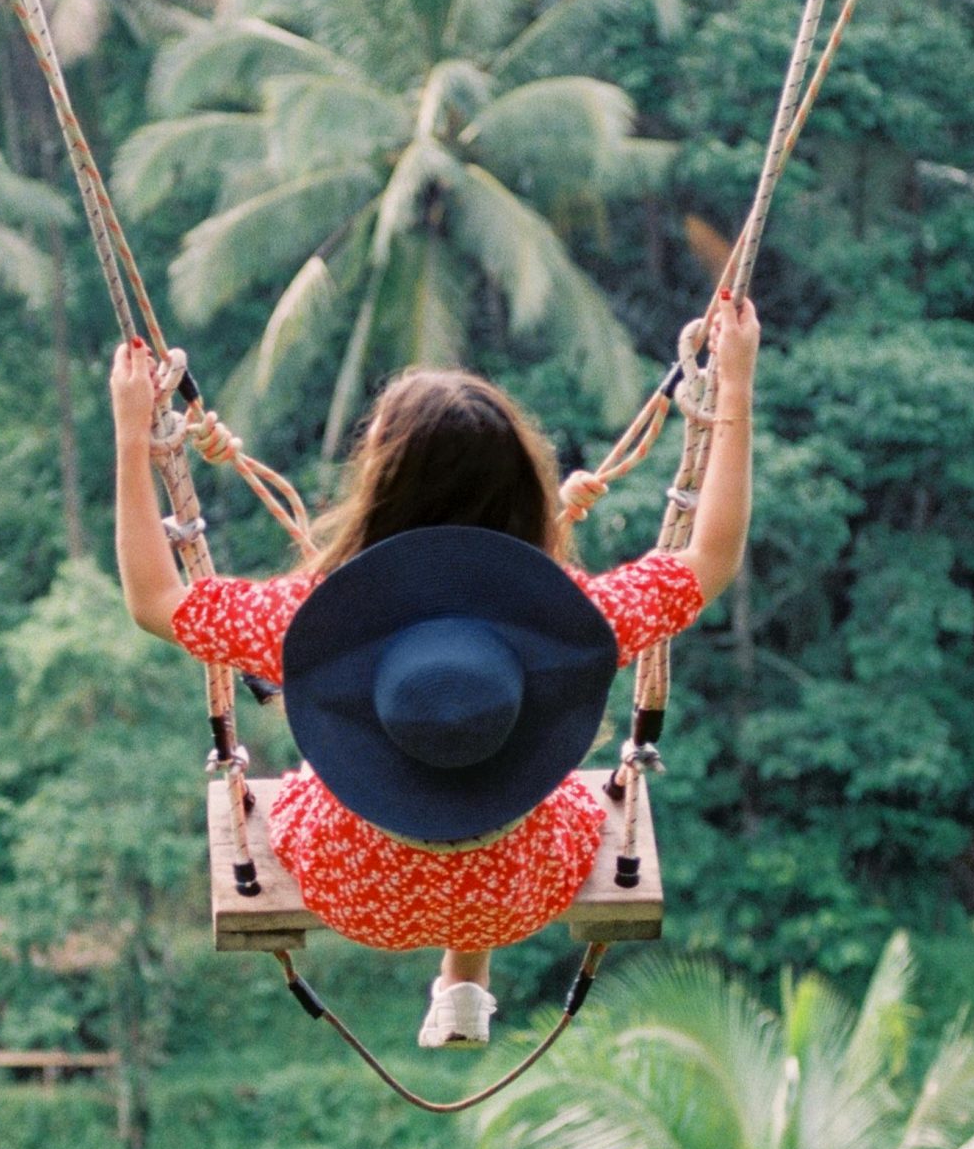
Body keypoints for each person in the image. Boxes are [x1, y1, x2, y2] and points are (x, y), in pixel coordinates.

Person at [112, 299, 759, 1047]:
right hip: (519, 895)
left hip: (353, 890)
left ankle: (459, 977)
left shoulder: (308, 619)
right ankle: (467, 974)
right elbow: (711, 559)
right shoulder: (575, 618)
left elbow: (155, 600)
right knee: (491, 755)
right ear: (525, 484)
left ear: (379, 480)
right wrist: (736, 387)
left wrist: (133, 436)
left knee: (347, 775)